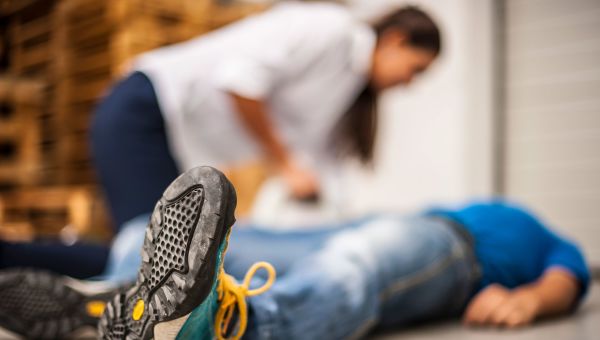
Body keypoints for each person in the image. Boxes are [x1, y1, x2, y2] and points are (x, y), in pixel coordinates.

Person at [0, 2, 442, 279]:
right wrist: (283, 162)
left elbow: (320, 171)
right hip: (146, 108)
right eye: (415, 68)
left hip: (173, 137)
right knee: (152, 264)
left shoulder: (347, 89)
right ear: (396, 40)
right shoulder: (328, 29)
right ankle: (12, 258)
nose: (409, 83)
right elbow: (241, 82)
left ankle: (30, 263)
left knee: (153, 261)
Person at [0, 167, 590, 339]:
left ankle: (235, 324)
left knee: (354, 267)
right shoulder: (461, 203)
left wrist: (530, 298)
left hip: (450, 251)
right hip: (390, 223)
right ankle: (115, 301)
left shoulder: (544, 236)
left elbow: (572, 274)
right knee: (137, 233)